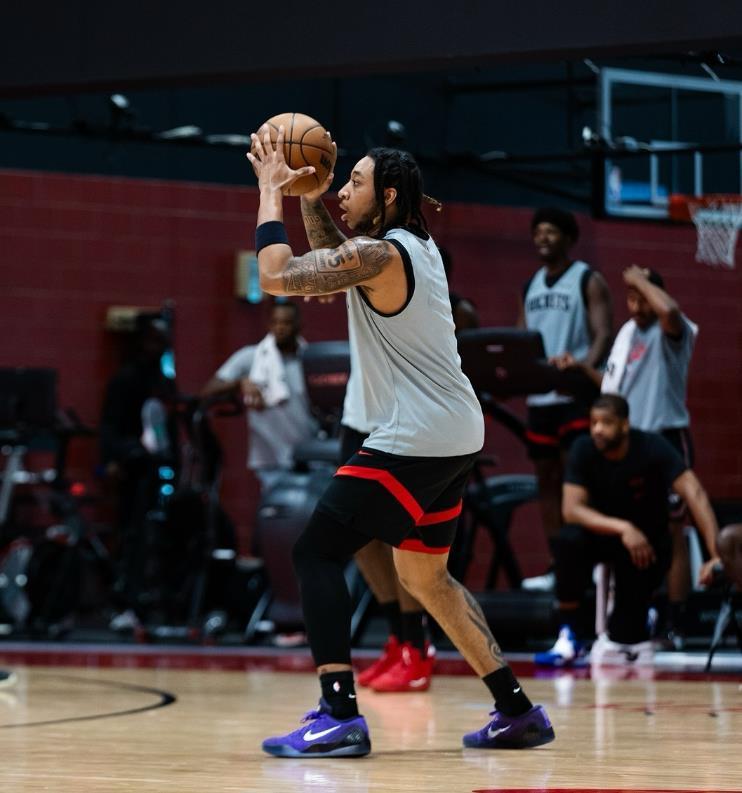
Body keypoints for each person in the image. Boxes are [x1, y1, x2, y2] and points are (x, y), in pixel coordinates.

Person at [246, 129, 554, 756]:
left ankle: (339, 715)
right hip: (454, 430)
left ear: (387, 195)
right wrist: (312, 198)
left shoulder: (383, 254)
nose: (345, 190)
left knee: (314, 552)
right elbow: (338, 258)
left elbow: (276, 276)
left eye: (355, 182)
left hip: (419, 433)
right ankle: (517, 711)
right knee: (426, 577)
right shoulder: (412, 248)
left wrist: (271, 191)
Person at [334, 247, 478, 694]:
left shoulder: (444, 309)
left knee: (405, 543)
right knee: (358, 540)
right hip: (358, 416)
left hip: (404, 425)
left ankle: (417, 644)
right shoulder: (366, 265)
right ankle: (398, 639)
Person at [551, 266, 698, 654]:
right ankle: (632, 616)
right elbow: (612, 389)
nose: (635, 306)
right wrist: (581, 368)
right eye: (630, 299)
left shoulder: (671, 331)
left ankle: (676, 621)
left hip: (663, 439)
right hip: (628, 445)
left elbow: (669, 311)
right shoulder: (626, 335)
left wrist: (640, 280)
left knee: (673, 532)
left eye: (642, 298)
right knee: (623, 531)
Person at [543, 394, 719, 667]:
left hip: (645, 546)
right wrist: (624, 528)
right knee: (567, 541)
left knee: (626, 639)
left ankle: (643, 617)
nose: (598, 429)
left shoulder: (652, 447)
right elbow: (571, 510)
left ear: (624, 425)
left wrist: (716, 554)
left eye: (606, 423)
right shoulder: (583, 449)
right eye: (594, 423)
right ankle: (569, 633)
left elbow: (695, 493)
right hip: (605, 536)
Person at [518, 208, 613, 591]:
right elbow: (521, 339)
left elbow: (603, 333)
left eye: (551, 231)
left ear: (569, 238)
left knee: (577, 480)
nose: (543, 238)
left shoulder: (587, 279)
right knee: (546, 482)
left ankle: (587, 563)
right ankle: (559, 564)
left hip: (574, 396)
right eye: (538, 232)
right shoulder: (530, 285)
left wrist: (583, 368)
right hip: (541, 400)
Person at [100, 314, 178, 631]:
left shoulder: (163, 382)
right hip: (134, 470)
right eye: (153, 340)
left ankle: (156, 600)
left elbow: (169, 430)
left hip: (160, 471)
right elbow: (110, 425)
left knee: (157, 536)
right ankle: (126, 601)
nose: (157, 347)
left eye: (162, 341)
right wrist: (115, 458)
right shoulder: (126, 379)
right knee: (133, 536)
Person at [201, 301, 316, 493]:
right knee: (277, 509)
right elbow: (208, 391)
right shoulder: (252, 357)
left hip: (308, 455)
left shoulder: (310, 359)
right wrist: (239, 383)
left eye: (286, 323)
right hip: (270, 457)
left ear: (298, 325)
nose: (280, 328)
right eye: (275, 322)